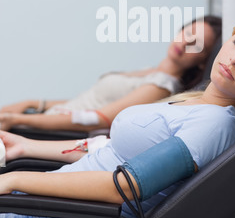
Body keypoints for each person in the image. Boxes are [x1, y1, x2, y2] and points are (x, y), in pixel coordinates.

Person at [0, 7, 235, 218]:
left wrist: (16, 177)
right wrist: (25, 147)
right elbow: (110, 149)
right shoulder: (197, 102)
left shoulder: (213, 125)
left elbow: (125, 185)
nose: (234, 59)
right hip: (47, 211)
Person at [0, 16, 221, 133]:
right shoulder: (151, 71)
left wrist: (17, 119)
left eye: (197, 44)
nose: (185, 43)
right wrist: (33, 102)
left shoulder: (161, 87)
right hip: (41, 119)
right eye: (188, 33)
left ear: (203, 62)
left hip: (44, 132)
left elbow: (97, 119)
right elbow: (89, 100)